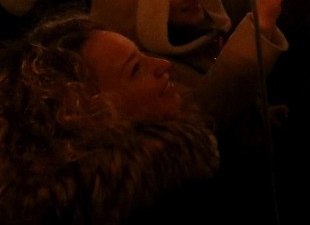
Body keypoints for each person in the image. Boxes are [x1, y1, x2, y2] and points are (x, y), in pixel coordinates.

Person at [0, 15, 220, 223]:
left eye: (141, 53)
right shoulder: (161, 185)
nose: (163, 64)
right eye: (135, 69)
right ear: (89, 112)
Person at [81, 0, 301, 131]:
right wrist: (260, 22)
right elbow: (200, 118)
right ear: (132, 0)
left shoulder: (199, 37)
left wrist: (258, 114)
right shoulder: (130, 71)